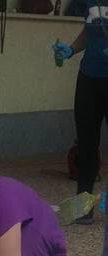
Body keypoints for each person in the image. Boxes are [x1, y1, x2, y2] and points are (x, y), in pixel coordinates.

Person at [53, 1, 108, 224]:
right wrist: (71, 49)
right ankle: (83, 210)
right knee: (86, 146)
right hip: (88, 78)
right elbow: (89, 31)